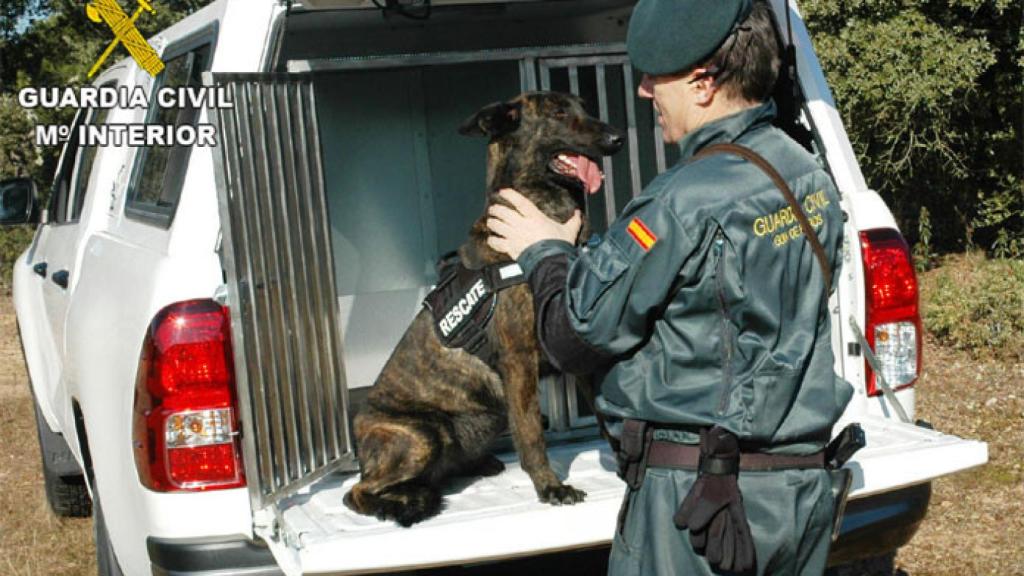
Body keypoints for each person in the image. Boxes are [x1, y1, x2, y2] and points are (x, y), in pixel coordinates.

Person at [484, 0, 854, 574]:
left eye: (658, 77)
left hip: (700, 510)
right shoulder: (805, 172)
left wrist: (546, 249)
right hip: (799, 496)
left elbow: (571, 335)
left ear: (704, 82)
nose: (645, 92)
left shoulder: (678, 202)